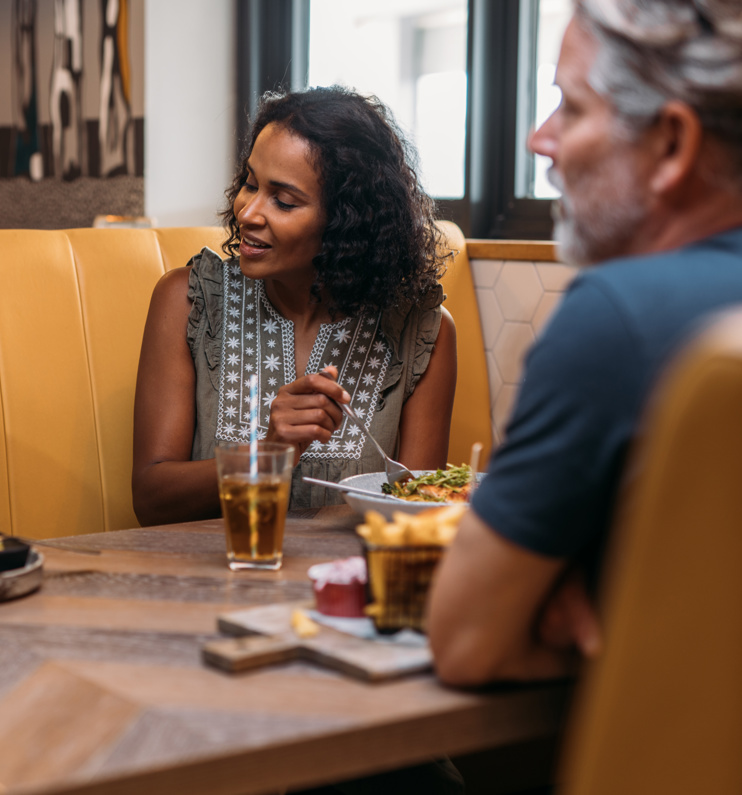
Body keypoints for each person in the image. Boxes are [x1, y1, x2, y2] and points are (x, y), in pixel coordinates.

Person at [428, 0, 742, 686]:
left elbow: (467, 642)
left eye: (570, 108)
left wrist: (585, 607)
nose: (539, 140)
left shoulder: (615, 321)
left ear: (672, 146)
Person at [132, 86, 458, 526]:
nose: (247, 212)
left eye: (283, 201)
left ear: (347, 223)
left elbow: (417, 516)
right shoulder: (189, 301)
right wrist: (269, 454)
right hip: (210, 583)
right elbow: (151, 501)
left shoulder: (420, 332)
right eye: (250, 183)